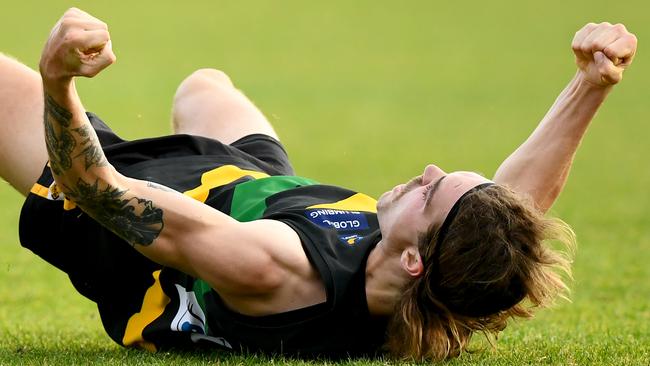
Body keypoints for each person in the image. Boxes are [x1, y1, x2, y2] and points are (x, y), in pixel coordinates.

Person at [1, 8, 637, 362]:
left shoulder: (274, 270)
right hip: (266, 190)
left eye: (430, 193)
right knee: (203, 86)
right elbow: (511, 211)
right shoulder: (456, 288)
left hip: (142, 207)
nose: (429, 171)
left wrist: (59, 83)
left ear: (414, 257)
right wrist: (591, 85)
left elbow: (98, 188)